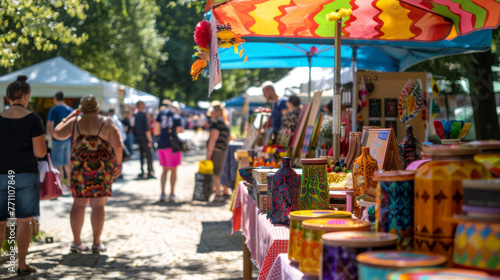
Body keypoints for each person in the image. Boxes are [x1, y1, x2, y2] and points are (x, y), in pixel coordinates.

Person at [53, 95, 123, 254]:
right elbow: (118, 146)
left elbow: (56, 133)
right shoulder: (107, 122)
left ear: (81, 108)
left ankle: (77, 242)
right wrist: (118, 164)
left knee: (79, 204)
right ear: (98, 108)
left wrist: (70, 116)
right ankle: (97, 243)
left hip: (80, 167)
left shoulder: (74, 122)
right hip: (102, 168)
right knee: (99, 205)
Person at [0, 75, 46, 275]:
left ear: (7, 97)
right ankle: (21, 264)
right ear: (27, 95)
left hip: (1, 173)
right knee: (23, 220)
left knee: (0, 220)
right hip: (26, 174)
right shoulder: (33, 119)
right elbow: (40, 152)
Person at [154, 102, 183, 202]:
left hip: (161, 145)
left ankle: (162, 193)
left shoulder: (160, 114)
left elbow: (156, 131)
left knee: (164, 170)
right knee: (173, 171)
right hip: (173, 146)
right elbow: (179, 132)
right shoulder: (177, 117)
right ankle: (172, 193)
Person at [46, 91, 73, 191]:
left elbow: (50, 125)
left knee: (58, 164)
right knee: (67, 163)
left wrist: (53, 136)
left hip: (57, 140)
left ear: (55, 98)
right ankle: (69, 185)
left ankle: (60, 186)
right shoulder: (70, 109)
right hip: (68, 140)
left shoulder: (54, 109)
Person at [206, 102, 231, 201]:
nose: (211, 114)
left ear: (217, 112)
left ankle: (218, 192)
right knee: (222, 171)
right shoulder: (225, 123)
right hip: (224, 150)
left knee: (217, 172)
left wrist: (209, 153)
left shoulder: (215, 124)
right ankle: (225, 190)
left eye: (212, 112)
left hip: (217, 151)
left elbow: (213, 139)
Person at [133, 101, 154, 179]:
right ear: (141, 105)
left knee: (142, 155)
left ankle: (142, 171)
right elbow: (146, 129)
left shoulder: (136, 115)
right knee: (149, 155)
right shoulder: (143, 116)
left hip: (139, 138)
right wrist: (150, 140)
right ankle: (149, 171)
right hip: (145, 138)